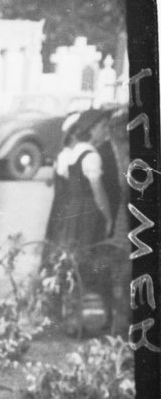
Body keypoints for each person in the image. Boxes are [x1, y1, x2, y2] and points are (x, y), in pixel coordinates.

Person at [46, 109, 124, 337]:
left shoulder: (69, 153)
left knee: (72, 264)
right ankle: (81, 321)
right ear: (91, 129)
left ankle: (71, 319)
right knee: (86, 264)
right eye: (101, 127)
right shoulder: (91, 155)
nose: (104, 131)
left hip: (71, 212)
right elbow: (98, 191)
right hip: (88, 214)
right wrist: (108, 217)